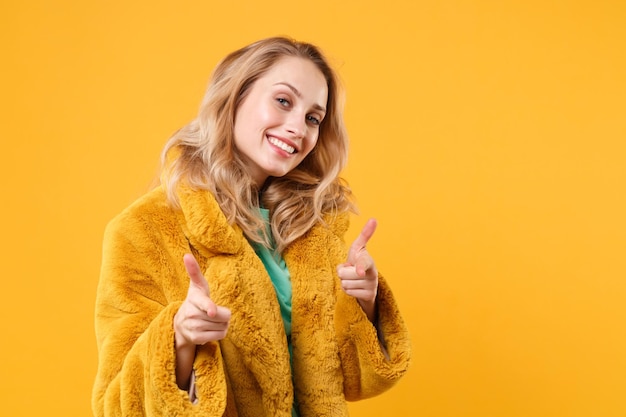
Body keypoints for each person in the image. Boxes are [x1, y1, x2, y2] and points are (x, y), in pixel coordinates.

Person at [92, 36, 411, 417]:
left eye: (313, 118)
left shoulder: (309, 231)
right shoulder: (143, 230)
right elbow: (117, 405)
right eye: (283, 101)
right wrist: (179, 337)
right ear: (235, 97)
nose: (298, 127)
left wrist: (366, 301)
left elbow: (356, 381)